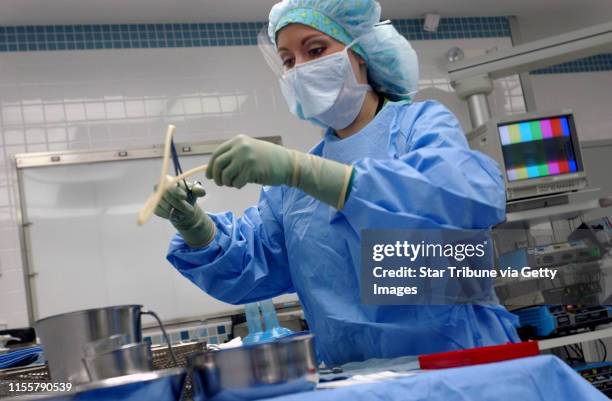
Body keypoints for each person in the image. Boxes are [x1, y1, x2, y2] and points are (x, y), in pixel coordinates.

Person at [154, 0, 519, 366]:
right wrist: (196, 227)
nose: (301, 69)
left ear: (359, 53)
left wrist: (318, 177)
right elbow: (254, 266)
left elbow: (464, 197)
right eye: (288, 60)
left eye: (315, 50)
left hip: (461, 369)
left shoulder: (418, 127)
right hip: (360, 383)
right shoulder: (291, 189)